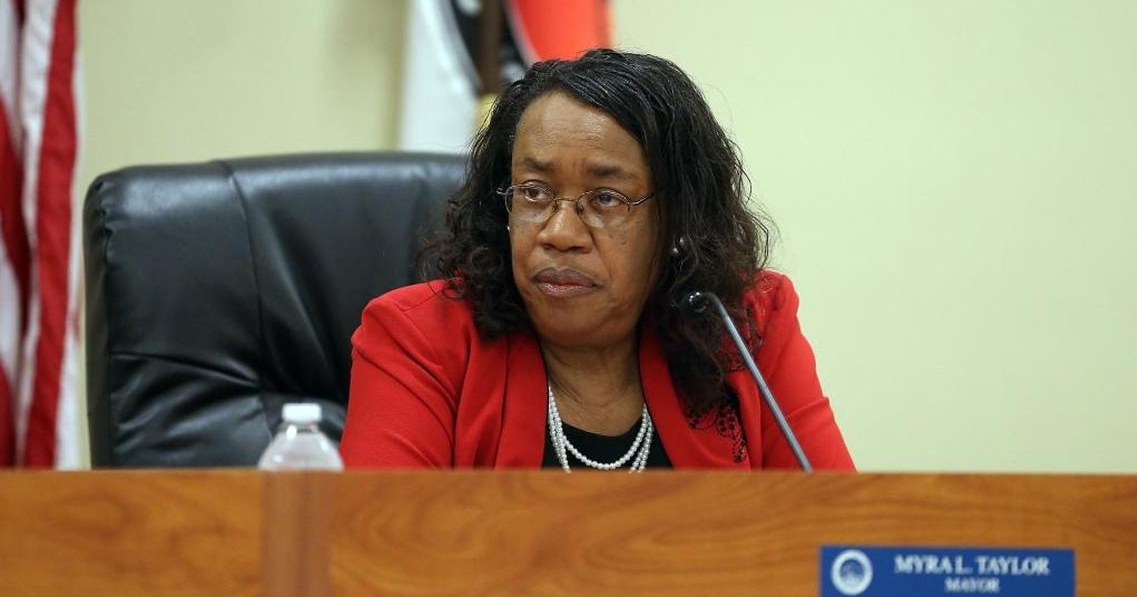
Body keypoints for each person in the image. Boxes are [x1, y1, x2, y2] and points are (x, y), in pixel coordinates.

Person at [340, 49, 853, 471]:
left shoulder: (745, 323)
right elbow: (382, 547)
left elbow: (841, 536)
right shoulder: (418, 338)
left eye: (606, 199)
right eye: (534, 192)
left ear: (677, 219)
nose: (560, 234)